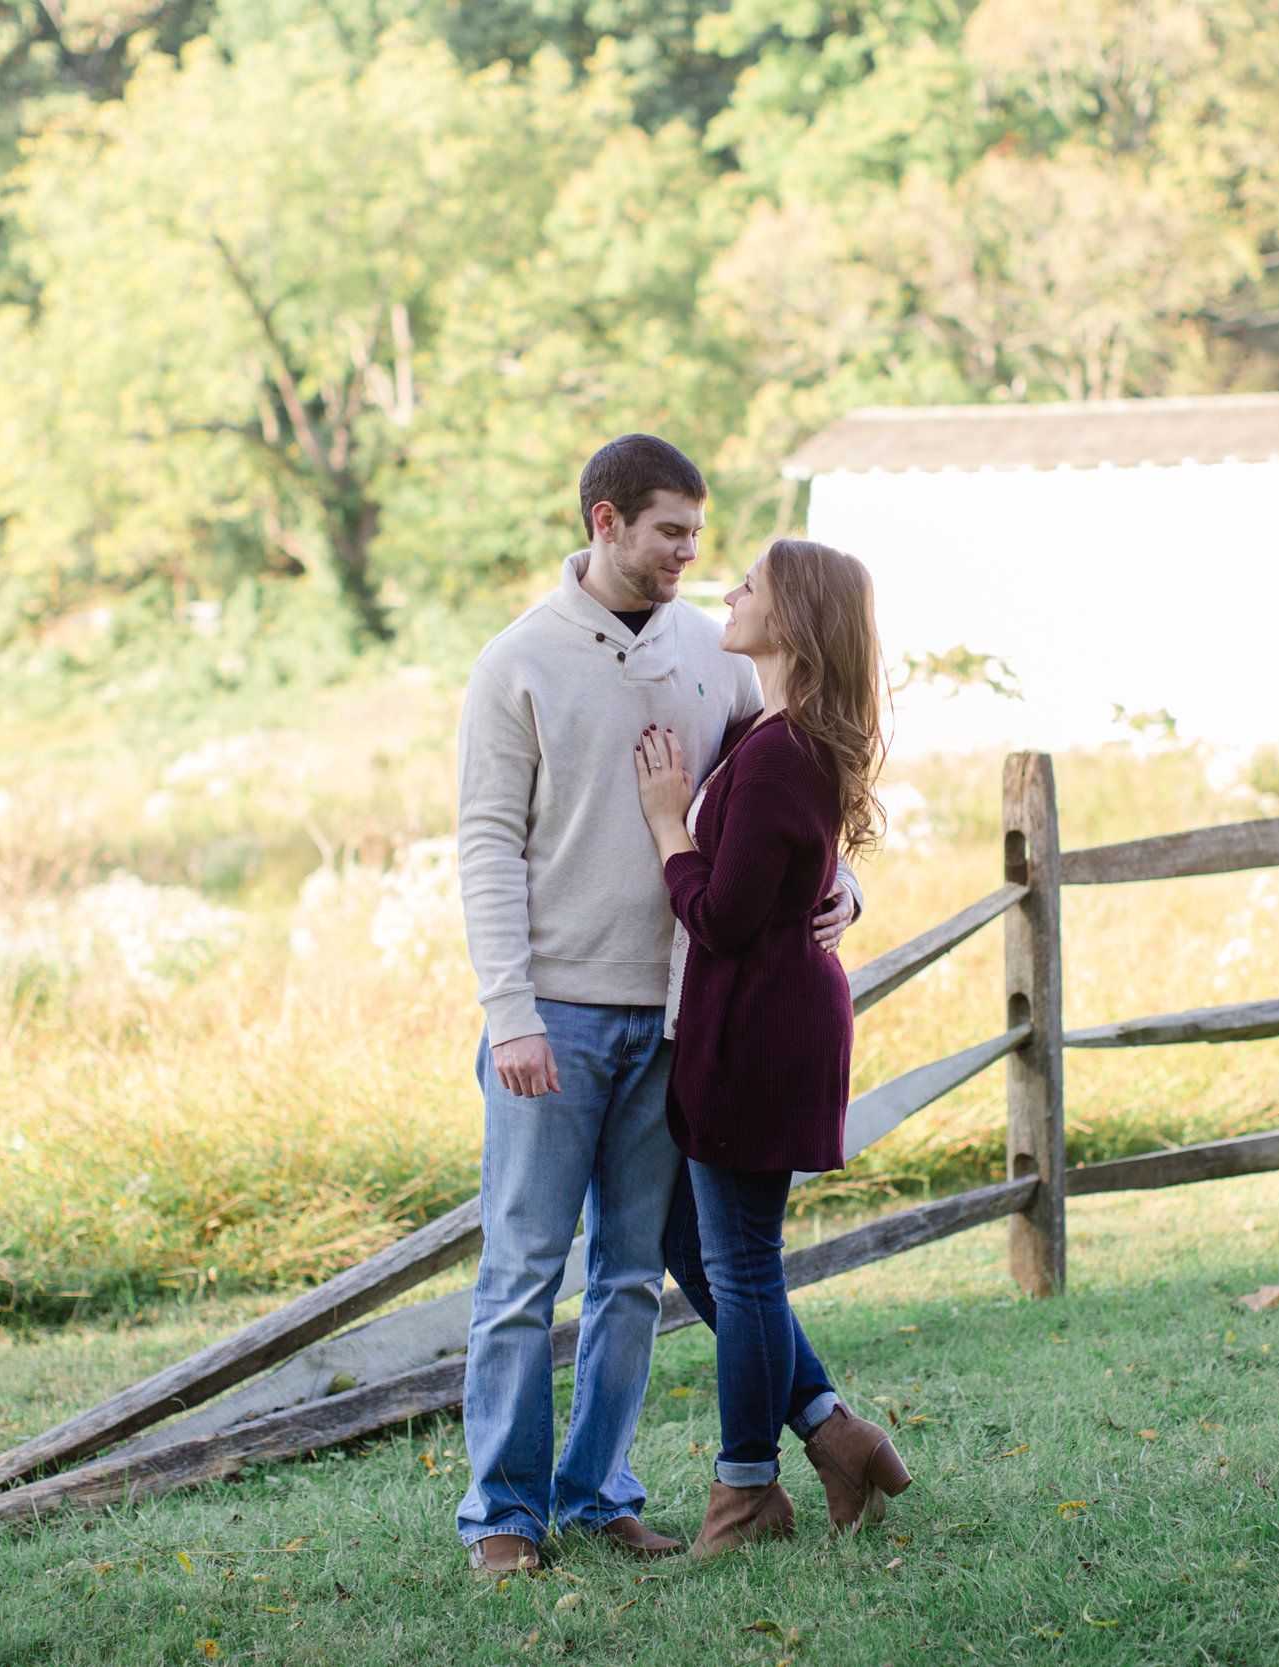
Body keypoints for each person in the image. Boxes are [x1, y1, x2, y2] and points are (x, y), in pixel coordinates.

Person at [453, 436, 858, 1577]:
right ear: (604, 522)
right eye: (670, 531)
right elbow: (485, 842)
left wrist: (844, 888)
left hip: (680, 1020)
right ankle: (501, 1514)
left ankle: (597, 1490)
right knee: (523, 1267)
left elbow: (787, 793)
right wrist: (510, 1008)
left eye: (697, 531)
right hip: (556, 1014)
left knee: (631, 1272)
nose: (691, 552)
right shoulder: (516, 661)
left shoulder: (712, 652)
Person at [633, 538, 912, 1557]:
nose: (730, 589)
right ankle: (835, 1432)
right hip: (753, 1020)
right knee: (692, 1245)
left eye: (749, 582)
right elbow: (792, 881)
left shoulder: (782, 749)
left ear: (790, 618)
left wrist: (669, 824)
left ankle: (745, 1489)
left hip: (757, 1028)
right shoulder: (772, 736)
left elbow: (726, 914)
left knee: (742, 1265)